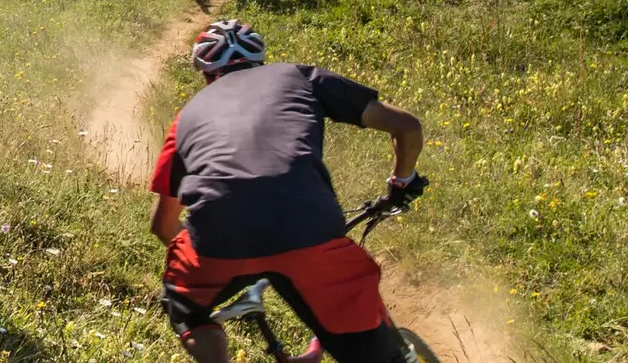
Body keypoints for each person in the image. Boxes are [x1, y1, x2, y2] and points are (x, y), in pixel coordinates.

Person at [149, 19, 428, 363]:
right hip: (310, 231)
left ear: (206, 75)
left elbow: (163, 226)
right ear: (261, 60)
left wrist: (228, 256)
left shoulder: (187, 117)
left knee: (186, 307)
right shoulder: (301, 76)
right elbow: (407, 126)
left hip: (218, 239)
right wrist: (401, 182)